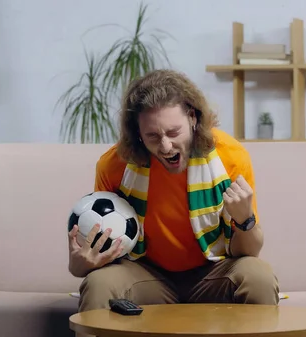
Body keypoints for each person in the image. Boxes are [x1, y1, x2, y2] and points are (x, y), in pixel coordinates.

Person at [67, 69, 279, 311]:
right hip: (145, 274)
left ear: (193, 118)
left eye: (173, 132)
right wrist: (78, 265)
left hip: (213, 273)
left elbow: (250, 252)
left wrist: (245, 219)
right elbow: (94, 260)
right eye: (153, 136)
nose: (166, 146)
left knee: (258, 276)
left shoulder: (230, 156)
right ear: (137, 133)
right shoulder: (114, 165)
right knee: (99, 283)